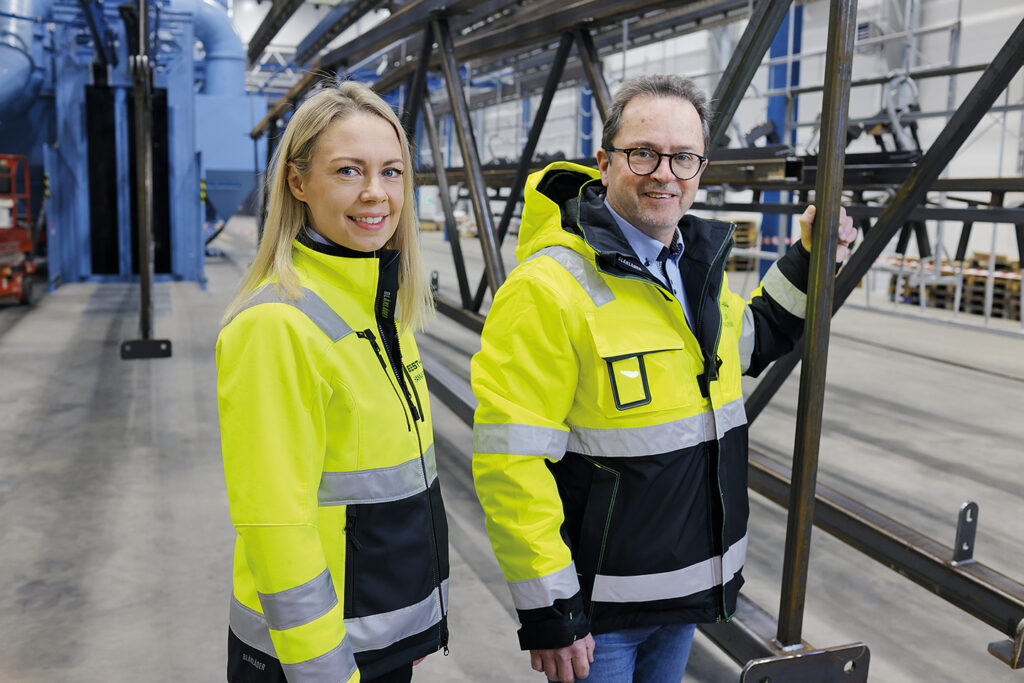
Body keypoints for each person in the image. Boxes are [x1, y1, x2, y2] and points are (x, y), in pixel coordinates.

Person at [470, 74, 856, 683]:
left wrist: (809, 257)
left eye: (683, 157)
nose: (664, 174)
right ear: (605, 162)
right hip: (601, 618)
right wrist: (552, 610)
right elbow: (510, 465)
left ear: (701, 167)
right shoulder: (546, 291)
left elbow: (752, 340)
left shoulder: (690, 269)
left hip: (684, 597)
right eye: (643, 153)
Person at [216, 81, 448, 683]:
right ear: (298, 183)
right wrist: (326, 670)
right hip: (312, 659)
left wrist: (410, 619)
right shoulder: (276, 326)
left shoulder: (380, 309)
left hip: (376, 636)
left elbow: (391, 490)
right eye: (348, 171)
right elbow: (277, 528)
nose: (376, 193)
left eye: (392, 172)